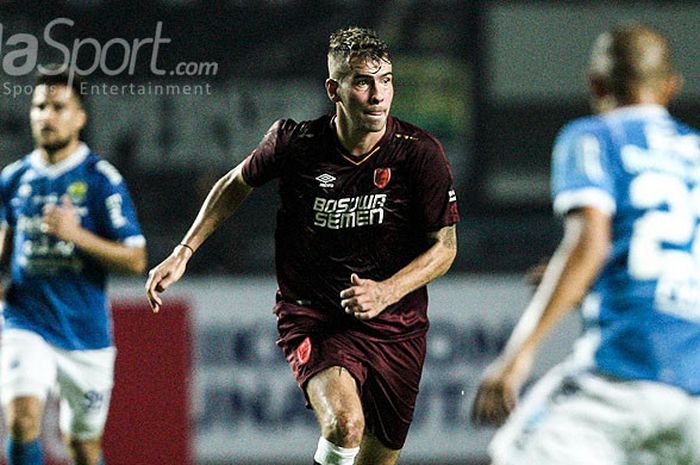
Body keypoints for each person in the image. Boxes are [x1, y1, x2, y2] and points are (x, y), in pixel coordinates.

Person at [146, 26, 459, 465]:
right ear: (334, 89)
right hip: (314, 313)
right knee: (345, 424)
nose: (377, 95)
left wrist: (386, 291)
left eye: (385, 80)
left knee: (375, 458)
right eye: (363, 82)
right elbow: (235, 183)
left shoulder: (419, 154)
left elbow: (445, 247)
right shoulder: (296, 143)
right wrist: (184, 250)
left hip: (396, 324)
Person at [472, 23, 700, 465]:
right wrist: (591, 283)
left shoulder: (594, 137)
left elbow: (588, 244)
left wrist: (517, 357)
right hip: (693, 395)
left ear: (595, 84)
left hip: (624, 373)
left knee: (514, 454)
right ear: (672, 87)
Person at [0, 68, 147, 465]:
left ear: (79, 117)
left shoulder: (101, 180)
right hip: (24, 319)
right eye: (39, 107)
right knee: (22, 420)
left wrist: (76, 235)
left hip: (85, 332)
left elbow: (136, 258)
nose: (47, 116)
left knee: (82, 445)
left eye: (58, 107)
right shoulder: (12, 180)